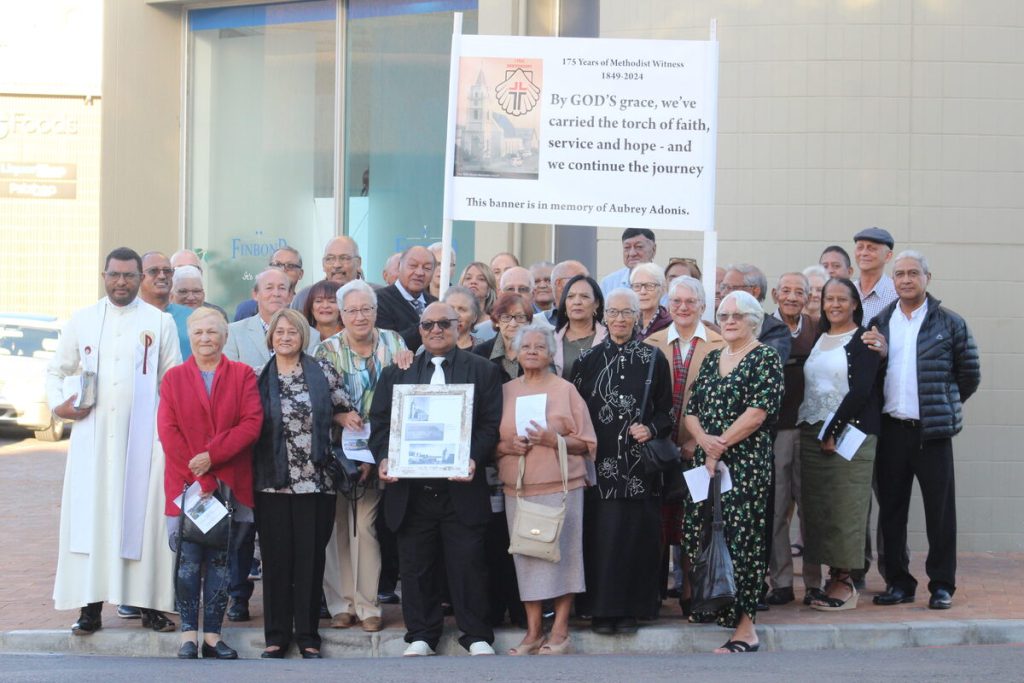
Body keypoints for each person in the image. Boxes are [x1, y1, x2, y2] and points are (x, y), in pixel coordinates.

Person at [46, 246, 181, 635]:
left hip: (144, 442)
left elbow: (172, 382)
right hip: (93, 441)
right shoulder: (83, 320)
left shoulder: (159, 323)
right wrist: (60, 406)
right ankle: (89, 607)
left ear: (140, 279)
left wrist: (168, 437)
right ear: (104, 277)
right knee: (92, 519)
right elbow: (56, 371)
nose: (121, 282)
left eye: (129, 275)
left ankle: (148, 605)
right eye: (114, 275)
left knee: (143, 523)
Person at [368, 302, 503, 657]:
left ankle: (476, 635)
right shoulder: (397, 372)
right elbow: (380, 424)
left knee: (468, 563)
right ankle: (421, 636)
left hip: (461, 486)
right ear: (420, 330)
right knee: (415, 566)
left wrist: (473, 457)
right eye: (428, 325)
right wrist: (384, 458)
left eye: (444, 323)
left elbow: (490, 424)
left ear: (459, 326)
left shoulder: (483, 370)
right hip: (411, 489)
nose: (436, 330)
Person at [863, 251, 980, 610]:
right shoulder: (881, 322)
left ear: (928, 277)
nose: (906, 279)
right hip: (892, 431)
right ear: (893, 280)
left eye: (913, 273)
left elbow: (969, 374)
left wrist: (942, 403)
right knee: (892, 512)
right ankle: (899, 582)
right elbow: (871, 376)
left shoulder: (949, 323)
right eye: (900, 274)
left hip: (932, 433)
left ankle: (942, 585)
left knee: (940, 514)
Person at [158, 307, 263, 659]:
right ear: (190, 336)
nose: (205, 338)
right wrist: (201, 476)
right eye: (199, 332)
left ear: (225, 336)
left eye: (213, 331)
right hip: (186, 485)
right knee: (188, 562)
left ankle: (214, 636)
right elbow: (169, 432)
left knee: (222, 562)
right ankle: (188, 635)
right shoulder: (173, 379)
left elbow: (251, 424)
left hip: (230, 482)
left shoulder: (243, 375)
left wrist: (213, 458)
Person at [681, 290, 783, 653]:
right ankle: (715, 603)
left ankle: (745, 627)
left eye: (737, 316)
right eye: (723, 315)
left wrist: (718, 445)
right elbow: (691, 411)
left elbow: (757, 413)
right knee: (701, 534)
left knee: (742, 541)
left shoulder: (765, 358)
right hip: (707, 464)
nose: (729, 321)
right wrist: (704, 442)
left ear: (753, 320)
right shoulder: (712, 358)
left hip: (744, 464)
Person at [570, 288, 673, 635]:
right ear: (604, 317)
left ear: (637, 317)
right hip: (598, 465)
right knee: (601, 538)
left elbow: (666, 411)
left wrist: (651, 428)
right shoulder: (586, 361)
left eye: (626, 312)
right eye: (613, 313)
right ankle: (601, 610)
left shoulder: (653, 358)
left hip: (639, 467)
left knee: (635, 538)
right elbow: (575, 414)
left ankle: (631, 610)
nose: (619, 319)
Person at [254, 308, 353, 659]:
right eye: (279, 331)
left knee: (310, 561)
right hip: (272, 483)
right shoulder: (257, 376)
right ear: (271, 337)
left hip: (316, 480)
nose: (285, 337)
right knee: (276, 561)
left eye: (292, 332)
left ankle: (308, 635)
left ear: (302, 337)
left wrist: (345, 419)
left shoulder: (322, 371)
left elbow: (344, 410)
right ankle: (277, 635)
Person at [316, 280, 413, 634]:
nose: (360, 316)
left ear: (376, 311)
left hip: (380, 449)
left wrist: (409, 361)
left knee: (366, 527)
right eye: (352, 310)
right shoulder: (326, 350)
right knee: (337, 527)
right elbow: (317, 400)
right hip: (338, 452)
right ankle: (341, 604)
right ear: (341, 314)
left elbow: (408, 388)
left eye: (366, 309)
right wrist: (340, 417)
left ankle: (368, 604)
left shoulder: (394, 343)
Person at [496, 324, 597, 655]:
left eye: (540, 346)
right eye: (526, 346)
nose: (532, 351)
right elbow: (491, 444)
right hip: (519, 489)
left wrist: (554, 440)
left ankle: (561, 630)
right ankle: (533, 631)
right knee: (526, 557)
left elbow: (587, 442)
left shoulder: (565, 390)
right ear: (515, 353)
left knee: (563, 557)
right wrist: (509, 446)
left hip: (562, 488)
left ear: (551, 354)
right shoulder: (505, 391)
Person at [797, 278, 882, 612]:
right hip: (812, 432)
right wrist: (820, 432)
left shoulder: (864, 339)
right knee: (820, 508)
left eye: (842, 299)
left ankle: (846, 582)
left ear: (855, 303)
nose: (834, 305)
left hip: (849, 435)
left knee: (847, 507)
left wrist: (831, 430)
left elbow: (861, 391)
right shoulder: (820, 336)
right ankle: (831, 576)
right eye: (829, 299)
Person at [644, 275, 725, 614]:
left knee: (695, 520)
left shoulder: (719, 344)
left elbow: (723, 401)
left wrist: (697, 439)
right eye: (676, 301)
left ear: (703, 306)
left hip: (699, 448)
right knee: (659, 520)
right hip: (659, 449)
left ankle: (692, 591)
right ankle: (652, 592)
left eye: (691, 301)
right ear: (668, 306)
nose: (683, 307)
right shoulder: (651, 343)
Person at [765, 272, 821, 607]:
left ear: (808, 297)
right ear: (775, 294)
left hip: (811, 429)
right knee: (776, 508)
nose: (791, 297)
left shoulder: (817, 328)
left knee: (810, 509)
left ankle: (814, 582)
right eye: (785, 290)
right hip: (778, 431)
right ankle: (782, 581)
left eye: (799, 292)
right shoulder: (765, 328)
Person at [224, 268, 321, 375]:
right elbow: (229, 376)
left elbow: (315, 376)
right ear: (255, 294)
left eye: (282, 288)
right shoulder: (234, 332)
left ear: (290, 296)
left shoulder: (311, 335)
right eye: (269, 288)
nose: (276, 293)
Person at [720, 264, 791, 365]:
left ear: (754, 291)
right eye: (723, 287)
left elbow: (765, 365)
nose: (723, 293)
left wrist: (722, 338)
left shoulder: (776, 330)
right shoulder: (718, 323)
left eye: (731, 288)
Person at [375, 245, 438, 352]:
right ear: (400, 266)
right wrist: (427, 324)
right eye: (413, 266)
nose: (419, 273)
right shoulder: (378, 300)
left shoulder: (435, 304)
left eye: (427, 268)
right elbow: (388, 344)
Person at [140, 251, 193, 360]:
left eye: (167, 271)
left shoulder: (191, 317)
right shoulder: (130, 315)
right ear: (139, 277)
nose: (162, 276)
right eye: (153, 271)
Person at [552, 274, 606, 379]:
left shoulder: (609, 338)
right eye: (570, 297)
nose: (577, 302)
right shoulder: (549, 338)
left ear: (596, 303)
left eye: (584, 296)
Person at [292, 236, 362, 313]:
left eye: (344, 258)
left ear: (358, 263)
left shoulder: (371, 295)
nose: (337, 265)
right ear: (323, 265)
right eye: (330, 259)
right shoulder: (304, 297)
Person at [473, 293, 533, 381]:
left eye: (520, 317)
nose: (513, 324)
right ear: (497, 321)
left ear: (528, 322)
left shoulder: (536, 352)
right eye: (506, 317)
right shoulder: (480, 353)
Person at [235, 246, 305, 321]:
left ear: (300, 274)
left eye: (290, 266)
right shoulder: (247, 310)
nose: (283, 269)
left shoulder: (307, 307)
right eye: (277, 265)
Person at [852, 227, 898, 324]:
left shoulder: (897, 295)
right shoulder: (848, 291)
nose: (864, 253)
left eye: (871, 249)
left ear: (888, 256)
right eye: (860, 247)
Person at [600, 228, 657, 297]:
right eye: (627, 247)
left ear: (653, 249)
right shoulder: (609, 283)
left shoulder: (664, 281)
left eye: (639, 247)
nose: (632, 253)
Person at [630, 262, 671, 341]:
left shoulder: (670, 325)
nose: (643, 292)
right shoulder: (624, 322)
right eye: (637, 286)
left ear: (662, 289)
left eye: (650, 286)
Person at [459, 261, 499, 341]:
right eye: (468, 278)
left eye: (481, 279)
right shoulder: (452, 321)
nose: (473, 282)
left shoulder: (496, 324)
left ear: (489, 289)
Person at [547, 260, 590, 324]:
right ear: (559, 284)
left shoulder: (597, 322)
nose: (587, 284)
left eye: (588, 280)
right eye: (579, 279)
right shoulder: (536, 323)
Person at [442, 285, 483, 350]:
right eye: (450, 308)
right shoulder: (431, 347)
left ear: (474, 317)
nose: (455, 314)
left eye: (462, 309)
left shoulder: (484, 349)